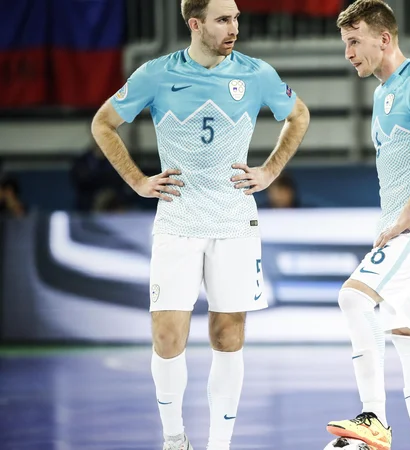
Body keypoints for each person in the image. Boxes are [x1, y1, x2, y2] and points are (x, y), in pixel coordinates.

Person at [90, 1, 310, 449]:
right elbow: (103, 124)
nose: (234, 28)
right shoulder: (156, 74)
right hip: (177, 220)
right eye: (223, 20)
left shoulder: (256, 74)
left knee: (227, 335)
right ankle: (174, 439)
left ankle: (219, 445)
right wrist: (136, 180)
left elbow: (298, 116)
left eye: (236, 19)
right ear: (195, 24)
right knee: (167, 336)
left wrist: (268, 171)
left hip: (234, 222)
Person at [324, 2, 410, 450]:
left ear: (383, 38)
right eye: (344, 43)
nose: (348, 52)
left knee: (352, 298)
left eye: (354, 41)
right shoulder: (383, 94)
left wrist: (408, 215)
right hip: (403, 228)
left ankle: (373, 422)